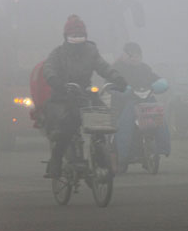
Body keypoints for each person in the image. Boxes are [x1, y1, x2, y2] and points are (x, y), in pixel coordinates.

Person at [42, 14, 127, 178]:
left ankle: (100, 152)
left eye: (80, 36)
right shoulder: (58, 53)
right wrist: (56, 82)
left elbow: (103, 67)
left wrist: (117, 79)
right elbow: (49, 69)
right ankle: (56, 162)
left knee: (101, 117)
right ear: (66, 37)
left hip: (85, 92)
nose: (78, 39)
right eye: (74, 36)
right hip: (64, 95)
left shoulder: (91, 50)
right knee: (67, 126)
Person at [112, 42, 171, 170]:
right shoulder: (117, 68)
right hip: (123, 104)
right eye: (131, 55)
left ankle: (162, 147)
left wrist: (161, 83)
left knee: (159, 118)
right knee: (124, 124)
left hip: (145, 102)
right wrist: (121, 89)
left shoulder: (145, 68)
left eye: (138, 55)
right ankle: (123, 155)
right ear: (124, 55)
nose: (135, 58)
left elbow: (156, 78)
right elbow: (112, 83)